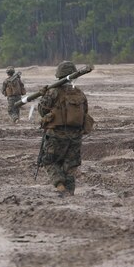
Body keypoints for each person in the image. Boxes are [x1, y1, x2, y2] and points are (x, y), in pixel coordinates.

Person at [36, 61, 90, 197]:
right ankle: (70, 193)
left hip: (56, 134)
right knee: (70, 166)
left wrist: (43, 95)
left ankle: (60, 186)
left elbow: (42, 111)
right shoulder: (80, 94)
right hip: (75, 136)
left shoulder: (53, 92)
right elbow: (85, 112)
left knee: (49, 161)